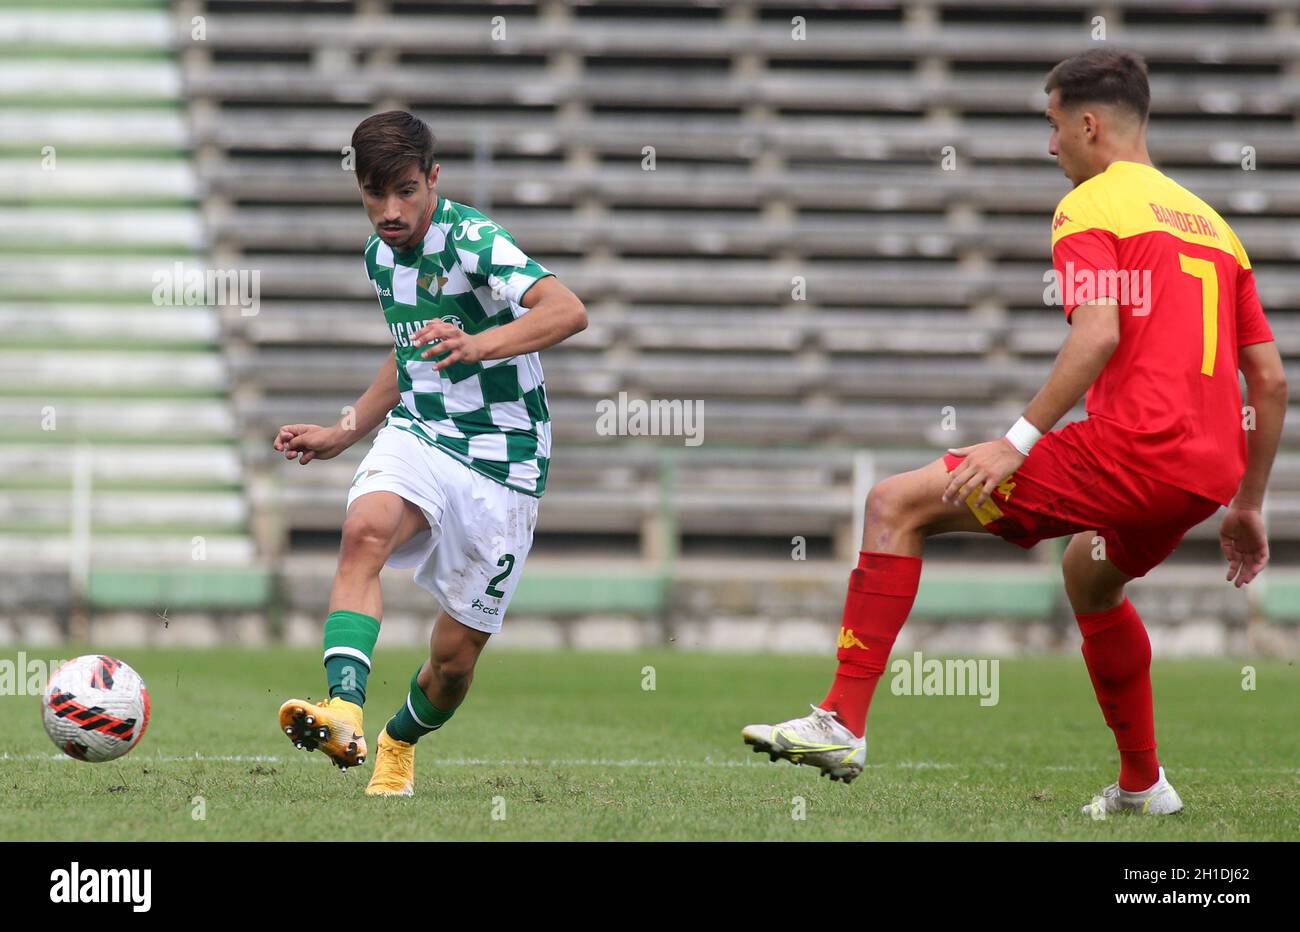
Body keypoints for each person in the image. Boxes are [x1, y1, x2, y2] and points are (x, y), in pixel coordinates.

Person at [741, 48, 1286, 816]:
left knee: (896, 505)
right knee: (1089, 574)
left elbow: (1095, 335)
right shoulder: (1214, 227)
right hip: (1207, 471)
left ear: (1089, 124)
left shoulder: (1093, 205)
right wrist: (1248, 504)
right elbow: (1268, 380)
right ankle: (1143, 787)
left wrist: (1015, 442)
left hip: (1134, 449)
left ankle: (839, 722)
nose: (1049, 143)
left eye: (1053, 124)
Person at [274, 110, 587, 796]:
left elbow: (567, 310)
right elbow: (407, 349)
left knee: (451, 664)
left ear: (433, 179)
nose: (390, 211)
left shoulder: (474, 239)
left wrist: (480, 343)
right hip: (422, 433)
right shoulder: (378, 255)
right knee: (364, 531)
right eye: (375, 193)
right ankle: (344, 713)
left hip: (505, 460)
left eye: (406, 192)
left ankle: (396, 740)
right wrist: (346, 429)